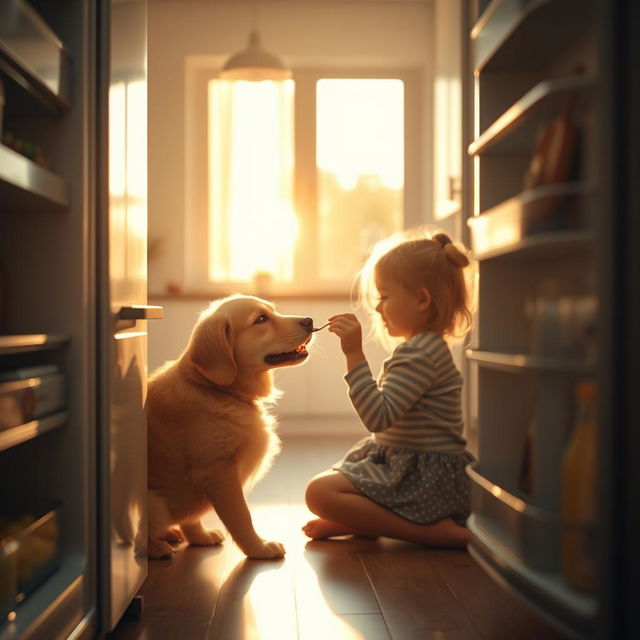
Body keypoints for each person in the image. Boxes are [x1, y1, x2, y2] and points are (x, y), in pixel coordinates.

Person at [302, 229, 476, 548]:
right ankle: (362, 522)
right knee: (332, 485)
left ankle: (430, 533)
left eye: (384, 296)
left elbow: (377, 417)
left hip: (425, 478)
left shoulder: (420, 353)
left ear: (422, 299)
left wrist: (353, 353)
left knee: (319, 492)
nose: (378, 309)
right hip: (415, 468)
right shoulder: (426, 348)